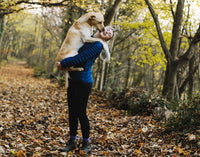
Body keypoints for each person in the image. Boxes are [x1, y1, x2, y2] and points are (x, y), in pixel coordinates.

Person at [57, 26, 114, 154]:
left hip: (84, 82)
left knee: (81, 112)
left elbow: (81, 58)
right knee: (72, 112)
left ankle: (86, 143)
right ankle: (72, 141)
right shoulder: (87, 39)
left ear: (107, 39)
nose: (107, 31)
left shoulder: (98, 45)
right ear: (101, 29)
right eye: (107, 29)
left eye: (109, 33)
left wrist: (63, 63)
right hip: (73, 78)